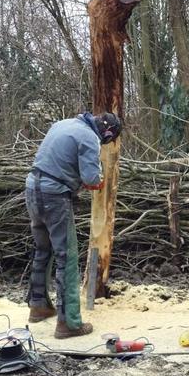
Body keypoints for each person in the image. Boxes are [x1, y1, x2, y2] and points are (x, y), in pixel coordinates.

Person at [25, 111, 122, 338]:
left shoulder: (63, 123)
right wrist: (99, 179)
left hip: (32, 188)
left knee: (43, 249)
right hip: (54, 196)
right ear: (107, 133)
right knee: (66, 257)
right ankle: (69, 322)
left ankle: (38, 305)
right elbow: (91, 179)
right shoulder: (89, 137)